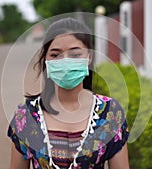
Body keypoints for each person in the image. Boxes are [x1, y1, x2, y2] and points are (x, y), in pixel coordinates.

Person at [7, 17, 130, 169]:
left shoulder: (111, 114)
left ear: (89, 57)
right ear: (45, 59)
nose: (65, 61)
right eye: (55, 54)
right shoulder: (26, 116)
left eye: (75, 54)